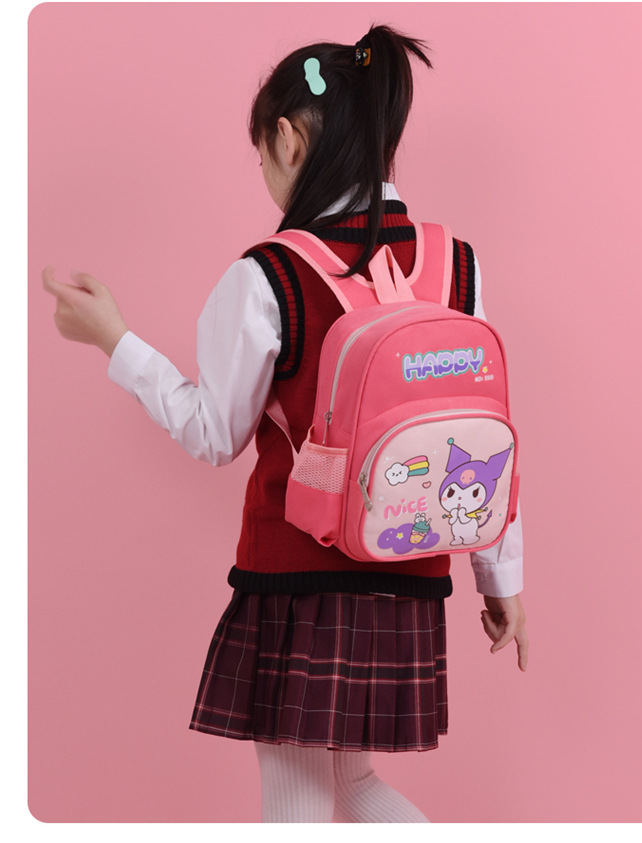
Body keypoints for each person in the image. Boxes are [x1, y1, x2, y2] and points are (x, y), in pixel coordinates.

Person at [42, 25, 528, 823]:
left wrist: (114, 341)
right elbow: (482, 430)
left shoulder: (269, 274)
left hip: (299, 577)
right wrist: (501, 580)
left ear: (289, 137)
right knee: (357, 784)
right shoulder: (460, 266)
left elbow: (213, 434)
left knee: (297, 804)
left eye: (262, 154)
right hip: (410, 572)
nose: (265, 173)